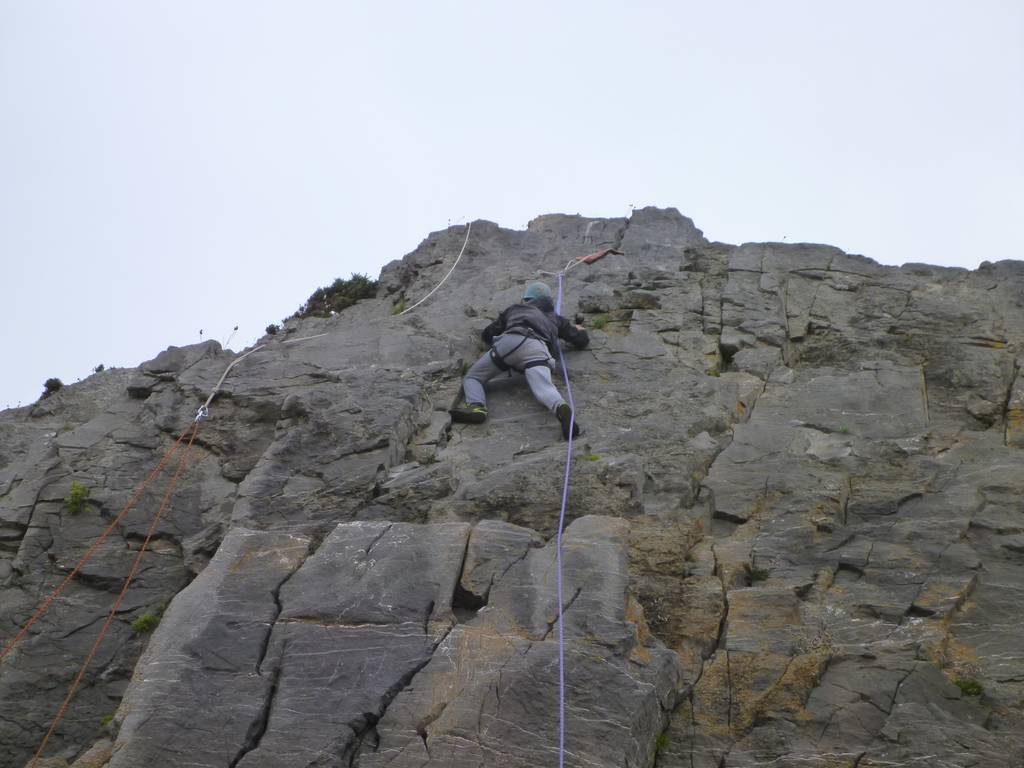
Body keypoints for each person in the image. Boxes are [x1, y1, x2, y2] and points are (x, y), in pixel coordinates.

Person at [451, 281, 588, 439]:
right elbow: (580, 341)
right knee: (544, 388)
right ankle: (562, 409)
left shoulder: (515, 309)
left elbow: (488, 334)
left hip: (509, 343)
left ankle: (477, 408)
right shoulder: (556, 318)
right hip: (536, 349)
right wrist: (581, 330)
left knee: (473, 377)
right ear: (549, 301)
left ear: (526, 299)